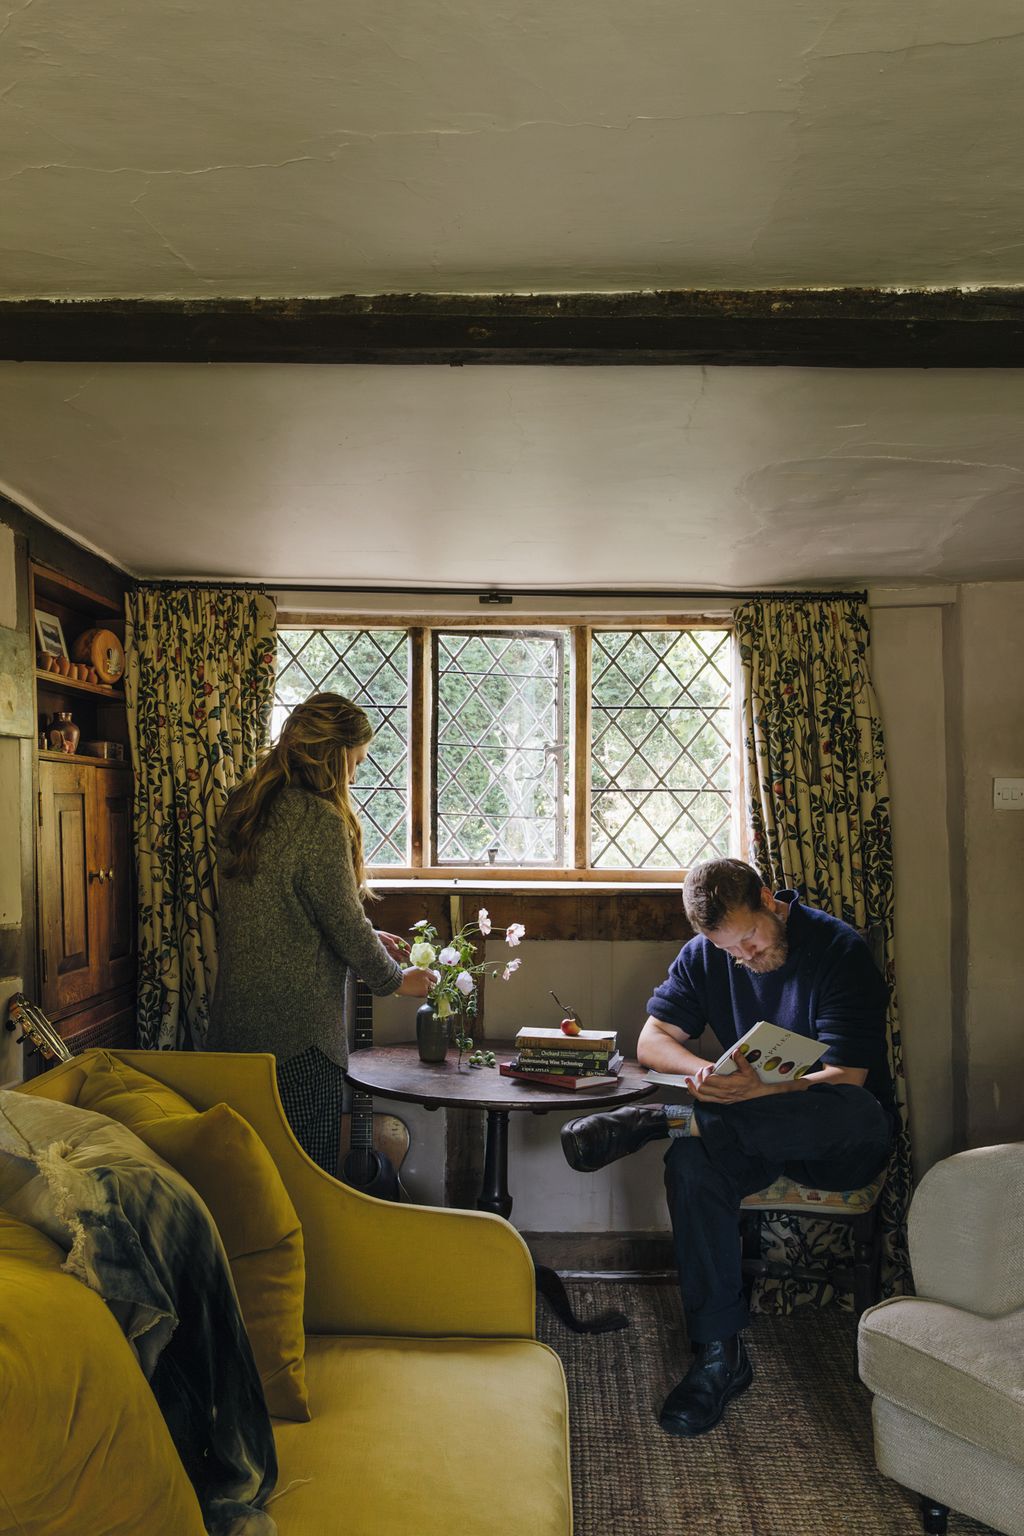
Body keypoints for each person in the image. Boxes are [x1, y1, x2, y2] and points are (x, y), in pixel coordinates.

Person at [560, 857, 895, 1438]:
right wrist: (701, 1076)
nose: (744, 956)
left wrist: (768, 1087)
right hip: (742, 1131)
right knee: (691, 1163)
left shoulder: (840, 950)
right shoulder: (708, 954)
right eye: (728, 948)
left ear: (769, 898)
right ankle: (720, 1354)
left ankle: (661, 1120)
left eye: (750, 938)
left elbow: (848, 1077)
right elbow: (652, 1039)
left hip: (834, 1136)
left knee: (856, 1109)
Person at [207, 692, 433, 1174]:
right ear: (332, 757)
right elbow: (343, 923)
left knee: (247, 1180)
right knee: (309, 1181)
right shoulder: (319, 820)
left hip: (236, 1034)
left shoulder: (244, 806)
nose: (354, 776)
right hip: (300, 1043)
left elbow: (293, 908)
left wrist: (371, 934)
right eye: (354, 762)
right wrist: (397, 980)